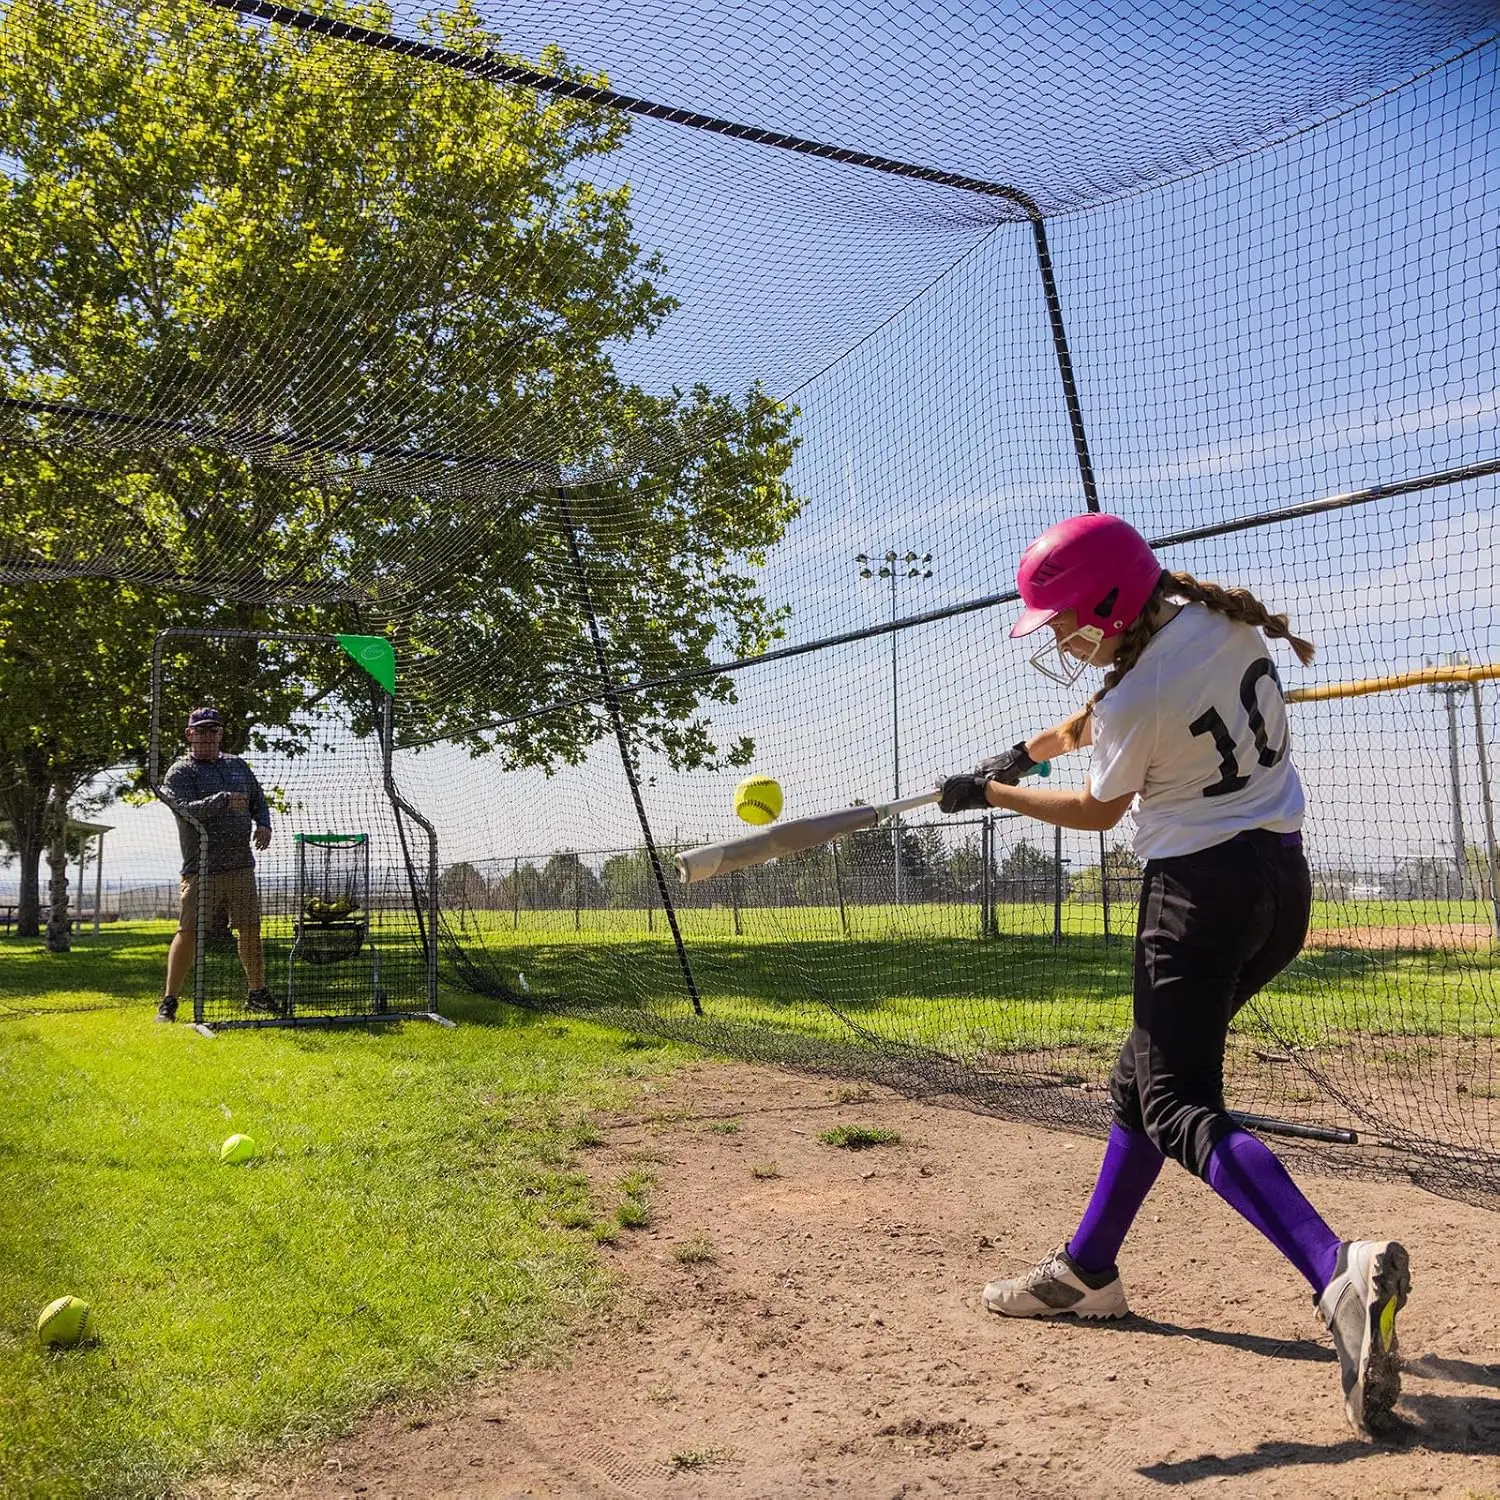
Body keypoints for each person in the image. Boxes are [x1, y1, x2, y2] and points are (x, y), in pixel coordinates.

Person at [938, 512, 1409, 1438]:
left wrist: (991, 793)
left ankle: (1335, 1270)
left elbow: (1096, 808)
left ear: (1113, 604)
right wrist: (1027, 749)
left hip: (1197, 899)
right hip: (1280, 887)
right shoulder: (1215, 621)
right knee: (1142, 1080)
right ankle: (1087, 1270)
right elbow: (1103, 719)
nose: (1063, 638)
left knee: (1178, 1101)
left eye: (1068, 620)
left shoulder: (1135, 694)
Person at [156, 706, 276, 1022]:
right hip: (201, 868)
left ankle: (257, 994)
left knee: (250, 930)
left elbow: (258, 800)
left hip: (240, 865)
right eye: (203, 730)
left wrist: (263, 823)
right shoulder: (180, 772)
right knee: (190, 932)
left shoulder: (237, 765)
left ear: (221, 734)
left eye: (215, 730)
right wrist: (221, 800)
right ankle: (169, 1003)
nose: (209, 736)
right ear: (189, 734)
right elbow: (183, 809)